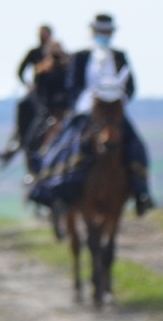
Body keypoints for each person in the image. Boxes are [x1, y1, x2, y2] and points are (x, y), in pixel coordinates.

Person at [65, 14, 154, 214]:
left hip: (114, 111)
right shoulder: (81, 56)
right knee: (69, 143)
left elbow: (130, 86)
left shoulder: (119, 55)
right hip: (88, 111)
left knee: (136, 145)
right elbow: (71, 85)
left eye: (107, 32)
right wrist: (87, 99)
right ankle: (64, 187)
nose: (104, 35)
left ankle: (141, 191)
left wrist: (118, 96)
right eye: (100, 31)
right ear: (93, 32)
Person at [4, 25, 70, 168]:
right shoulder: (36, 58)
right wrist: (28, 85)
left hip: (65, 107)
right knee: (25, 108)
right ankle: (17, 142)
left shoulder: (69, 69)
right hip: (44, 102)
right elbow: (21, 71)